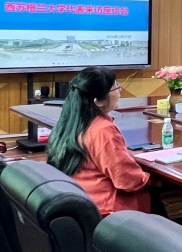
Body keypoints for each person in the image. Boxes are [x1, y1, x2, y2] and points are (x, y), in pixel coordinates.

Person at [46, 66, 152, 213]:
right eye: (116, 87)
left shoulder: (69, 122)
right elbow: (127, 180)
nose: (120, 91)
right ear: (98, 101)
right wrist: (152, 179)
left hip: (80, 202)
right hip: (108, 211)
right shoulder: (103, 130)